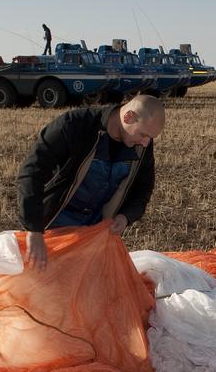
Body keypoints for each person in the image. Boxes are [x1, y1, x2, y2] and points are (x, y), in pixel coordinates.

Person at [17, 95, 164, 269]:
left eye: (150, 138)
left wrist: (126, 216)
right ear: (128, 117)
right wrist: (34, 229)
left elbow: (144, 189)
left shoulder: (141, 146)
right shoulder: (74, 125)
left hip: (94, 233)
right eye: (143, 135)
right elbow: (32, 172)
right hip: (53, 227)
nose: (146, 143)